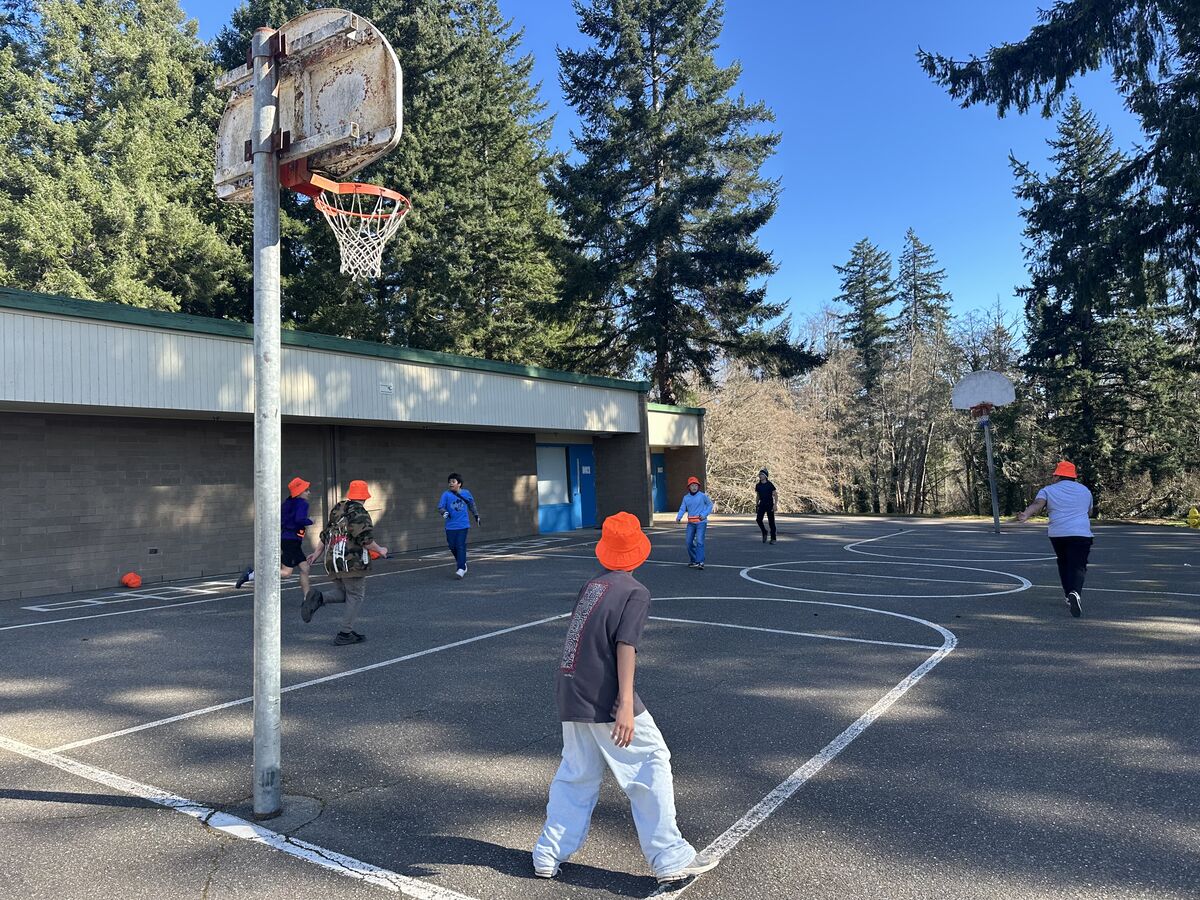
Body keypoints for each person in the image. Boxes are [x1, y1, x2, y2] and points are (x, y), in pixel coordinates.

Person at [532, 511, 719, 886]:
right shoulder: (635, 591)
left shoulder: (593, 586)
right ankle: (669, 856)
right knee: (651, 759)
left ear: (604, 552)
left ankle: (548, 852)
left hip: (570, 686)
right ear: (639, 553)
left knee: (577, 772)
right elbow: (625, 646)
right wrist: (626, 704)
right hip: (603, 692)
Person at [300, 480, 389, 645]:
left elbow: (326, 533)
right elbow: (365, 539)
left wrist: (317, 553)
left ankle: (318, 598)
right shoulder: (359, 512)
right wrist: (380, 549)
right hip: (351, 561)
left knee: (345, 593)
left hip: (333, 559)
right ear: (365, 496)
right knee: (355, 595)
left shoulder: (338, 509)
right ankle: (345, 633)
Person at [1016, 461, 1094, 618]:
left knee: (1063, 562)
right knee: (1078, 565)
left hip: (1058, 534)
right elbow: (1090, 512)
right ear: (1073, 476)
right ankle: (1075, 592)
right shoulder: (1085, 490)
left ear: (1058, 475)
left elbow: (1038, 504)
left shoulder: (1048, 490)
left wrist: (1026, 514)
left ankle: (1068, 595)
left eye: (1054, 475)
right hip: (1081, 533)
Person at [236, 476, 314, 595]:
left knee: (305, 568)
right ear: (299, 492)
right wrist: (310, 521)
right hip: (292, 540)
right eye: (306, 490)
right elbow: (299, 520)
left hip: (288, 539)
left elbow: (281, 521)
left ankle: (307, 598)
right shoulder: (302, 504)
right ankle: (252, 574)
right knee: (286, 573)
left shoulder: (287, 504)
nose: (309, 492)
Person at [437, 473, 480, 578]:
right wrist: (444, 512)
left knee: (460, 545)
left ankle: (461, 568)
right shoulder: (445, 495)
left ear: (459, 484)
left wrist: (476, 515)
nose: (450, 484)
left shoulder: (466, 493)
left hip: (463, 525)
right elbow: (440, 507)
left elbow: (471, 504)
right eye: (449, 482)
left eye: (453, 482)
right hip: (450, 526)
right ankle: (462, 563)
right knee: (452, 546)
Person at [675, 476, 714, 570]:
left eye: (696, 485)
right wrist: (679, 517)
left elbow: (710, 505)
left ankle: (700, 562)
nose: (694, 487)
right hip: (691, 523)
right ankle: (693, 560)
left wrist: (704, 514)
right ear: (689, 487)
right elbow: (682, 508)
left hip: (701, 522)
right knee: (688, 542)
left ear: (698, 486)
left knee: (700, 541)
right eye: (692, 485)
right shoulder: (686, 498)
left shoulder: (703, 496)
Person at [754, 469, 778, 544]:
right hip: (762, 504)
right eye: (759, 474)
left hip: (769, 504)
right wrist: (756, 504)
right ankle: (764, 531)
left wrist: (775, 505)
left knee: (771, 522)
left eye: (761, 474)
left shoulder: (770, 484)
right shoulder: (758, 485)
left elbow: (775, 495)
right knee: (758, 519)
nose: (760, 476)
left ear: (765, 476)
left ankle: (773, 539)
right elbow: (758, 495)